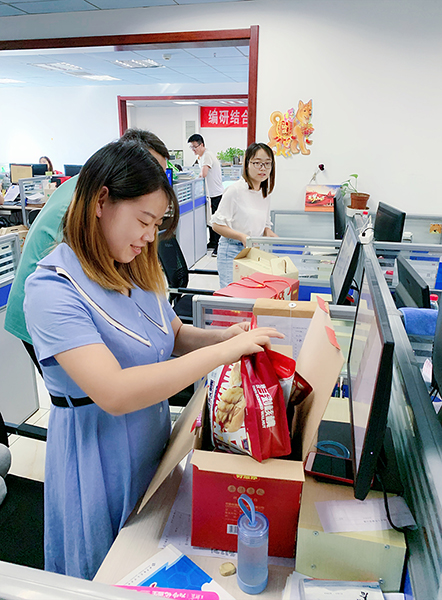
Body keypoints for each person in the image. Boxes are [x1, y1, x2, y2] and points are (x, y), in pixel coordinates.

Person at [23, 139, 283, 580]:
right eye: (144, 221)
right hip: (97, 455)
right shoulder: (52, 289)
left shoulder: (131, 265)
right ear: (101, 201)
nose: (149, 237)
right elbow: (115, 392)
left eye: (157, 224)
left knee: (151, 553)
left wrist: (222, 336)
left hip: (151, 438)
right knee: (109, 569)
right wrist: (221, 353)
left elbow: (172, 333)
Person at [5, 129, 171, 373]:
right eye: (149, 170)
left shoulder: (108, 211)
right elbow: (111, 387)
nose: (156, 182)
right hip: (45, 308)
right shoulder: (81, 209)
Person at [211, 142, 279, 288]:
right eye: (257, 163)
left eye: (267, 164)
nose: (263, 168)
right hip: (233, 250)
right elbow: (216, 225)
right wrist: (242, 237)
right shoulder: (235, 191)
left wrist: (278, 240)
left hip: (254, 250)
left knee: (250, 293)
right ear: (247, 164)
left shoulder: (265, 193)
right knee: (234, 295)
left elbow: (264, 226)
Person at [187, 134, 224, 256]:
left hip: (215, 194)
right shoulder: (202, 156)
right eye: (191, 147)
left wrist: (193, 179)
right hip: (211, 194)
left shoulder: (207, 155)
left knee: (216, 222)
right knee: (211, 220)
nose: (193, 150)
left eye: (195, 147)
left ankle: (218, 246)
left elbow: (203, 174)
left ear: (201, 144)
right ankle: (212, 242)